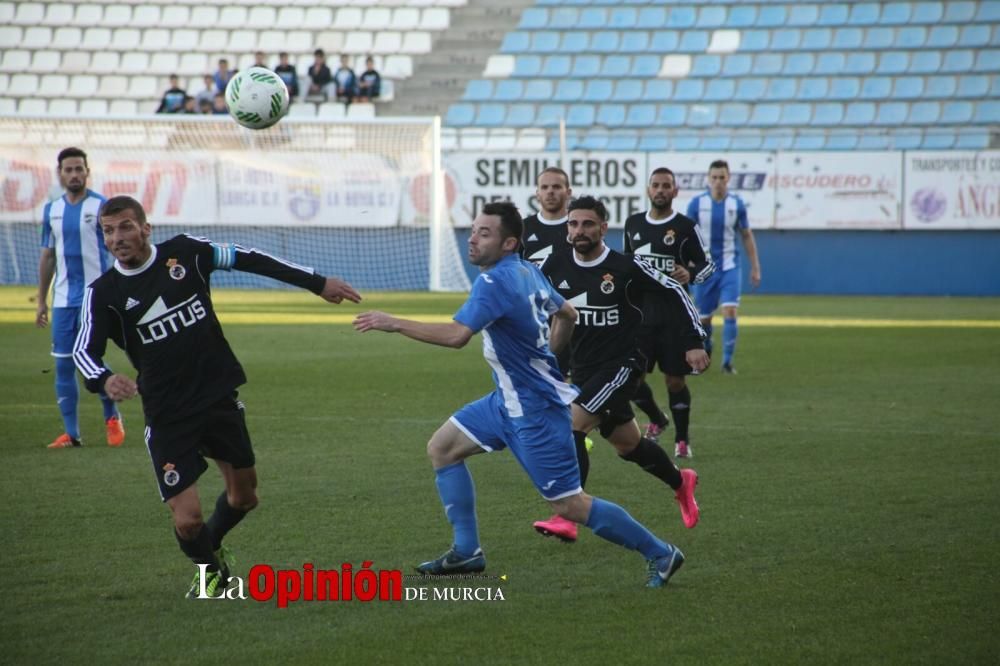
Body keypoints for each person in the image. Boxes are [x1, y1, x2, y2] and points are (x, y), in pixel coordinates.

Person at [353, 202, 688, 589]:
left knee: (569, 505)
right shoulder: (528, 270)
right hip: (505, 400)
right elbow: (568, 314)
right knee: (442, 448)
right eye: (474, 230)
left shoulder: (495, 282)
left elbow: (457, 335)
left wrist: (393, 322)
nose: (473, 239)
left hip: (535, 410)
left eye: (485, 233)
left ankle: (661, 552)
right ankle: (467, 551)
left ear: (509, 242)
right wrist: (550, 352)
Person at [73, 196, 361, 598]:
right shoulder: (102, 293)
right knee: (188, 521)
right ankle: (211, 568)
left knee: (244, 498)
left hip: (217, 398)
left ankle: (212, 545)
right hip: (168, 413)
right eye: (108, 230)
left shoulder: (187, 253)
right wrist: (103, 379)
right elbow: (84, 351)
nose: (116, 237)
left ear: (145, 228)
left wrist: (317, 282)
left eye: (124, 226)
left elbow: (249, 257)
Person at [532, 196, 708, 542]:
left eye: (587, 224)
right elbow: (540, 310)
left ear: (603, 227)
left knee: (572, 428)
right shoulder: (555, 265)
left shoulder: (627, 267)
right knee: (628, 445)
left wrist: (693, 340)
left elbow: (673, 290)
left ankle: (566, 515)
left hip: (624, 365)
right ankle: (680, 480)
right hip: (583, 370)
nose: (578, 231)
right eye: (573, 224)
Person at [36, 147, 124, 449]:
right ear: (60, 173)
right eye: (68, 169)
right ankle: (72, 435)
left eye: (79, 169)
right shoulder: (51, 210)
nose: (74, 174)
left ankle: (111, 417)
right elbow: (47, 257)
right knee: (63, 366)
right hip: (61, 300)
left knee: (91, 360)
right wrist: (41, 301)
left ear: (88, 172)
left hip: (94, 298)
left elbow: (117, 248)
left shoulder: (102, 207)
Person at [625, 168, 715, 458]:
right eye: (656, 185)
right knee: (631, 379)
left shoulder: (686, 226)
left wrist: (689, 273)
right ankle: (657, 419)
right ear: (648, 190)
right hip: (640, 316)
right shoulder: (633, 224)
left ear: (675, 191)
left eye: (666, 186)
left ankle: (682, 439)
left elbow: (707, 265)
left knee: (675, 380)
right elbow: (627, 265)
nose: (661, 190)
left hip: (675, 315)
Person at [686, 160, 762, 374]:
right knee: (705, 319)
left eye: (722, 177)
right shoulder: (696, 204)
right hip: (704, 269)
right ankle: (707, 348)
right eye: (714, 177)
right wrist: (689, 264)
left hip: (730, 266)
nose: (718, 181)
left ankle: (727, 363)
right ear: (708, 179)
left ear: (728, 178)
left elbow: (746, 235)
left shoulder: (736, 204)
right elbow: (686, 236)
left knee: (730, 310)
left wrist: (755, 267)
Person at [521, 166, 572, 266]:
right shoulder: (522, 228)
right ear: (537, 194)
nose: (550, 192)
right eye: (544, 187)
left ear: (568, 193)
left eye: (556, 187)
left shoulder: (579, 226)